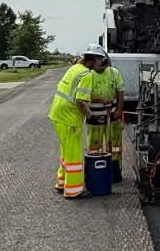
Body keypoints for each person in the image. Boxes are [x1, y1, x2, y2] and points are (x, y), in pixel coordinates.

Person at [49, 46, 103, 199]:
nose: (101, 62)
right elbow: (80, 101)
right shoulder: (87, 74)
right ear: (92, 60)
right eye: (100, 59)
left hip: (57, 114)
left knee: (65, 151)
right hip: (69, 118)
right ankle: (74, 190)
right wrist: (90, 115)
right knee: (73, 155)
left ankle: (62, 182)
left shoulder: (75, 68)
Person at [86, 53, 126, 182]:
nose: (102, 68)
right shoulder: (88, 75)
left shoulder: (114, 73)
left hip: (113, 115)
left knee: (115, 145)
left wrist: (119, 109)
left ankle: (115, 171)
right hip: (94, 117)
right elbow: (82, 96)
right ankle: (96, 170)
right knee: (94, 144)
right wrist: (99, 99)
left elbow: (120, 91)